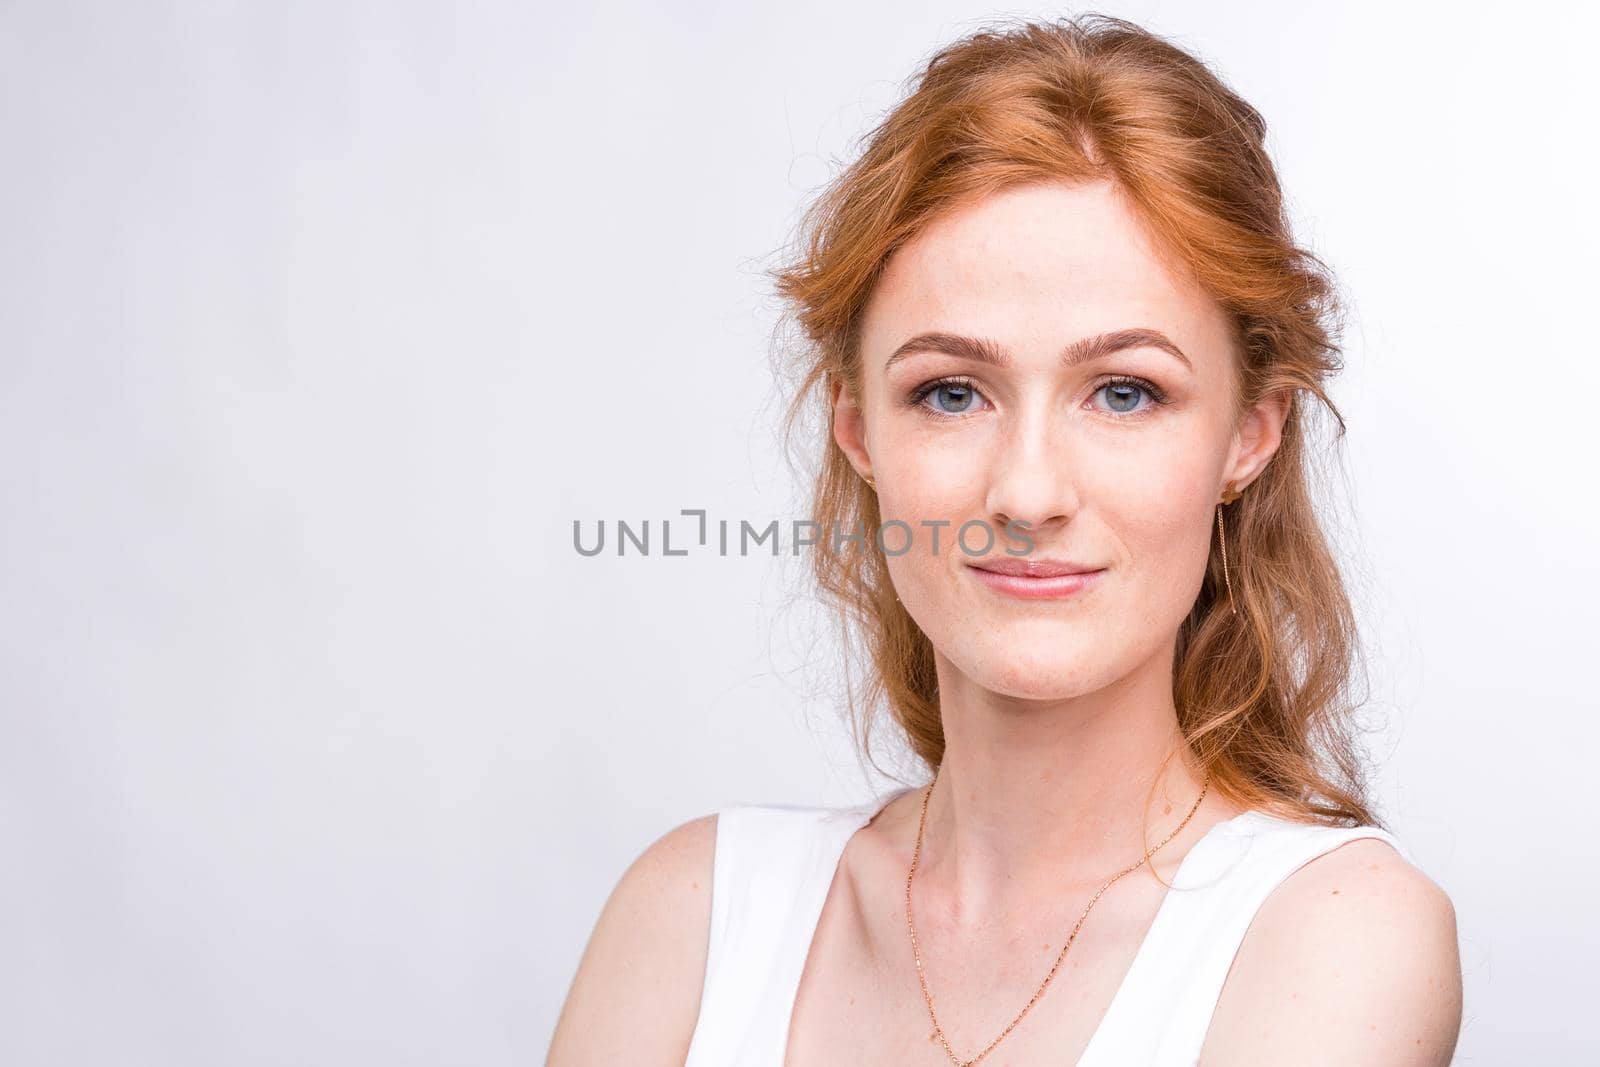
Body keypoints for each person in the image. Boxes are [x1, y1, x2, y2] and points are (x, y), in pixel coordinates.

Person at [548, 13, 1463, 1066]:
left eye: (1124, 392)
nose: (1025, 490)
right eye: (949, 392)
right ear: (859, 430)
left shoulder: (1334, 934)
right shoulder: (692, 917)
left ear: (1248, 436)